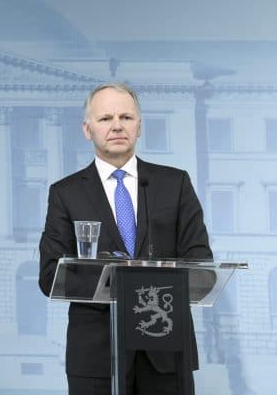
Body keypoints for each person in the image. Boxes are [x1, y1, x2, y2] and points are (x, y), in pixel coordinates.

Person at [38, 83, 212, 395]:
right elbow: (51, 276)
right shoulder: (66, 193)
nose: (117, 125)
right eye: (105, 118)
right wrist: (119, 283)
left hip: (166, 349)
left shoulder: (175, 184)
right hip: (96, 357)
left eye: (126, 117)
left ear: (139, 126)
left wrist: (138, 284)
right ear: (87, 129)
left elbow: (201, 266)